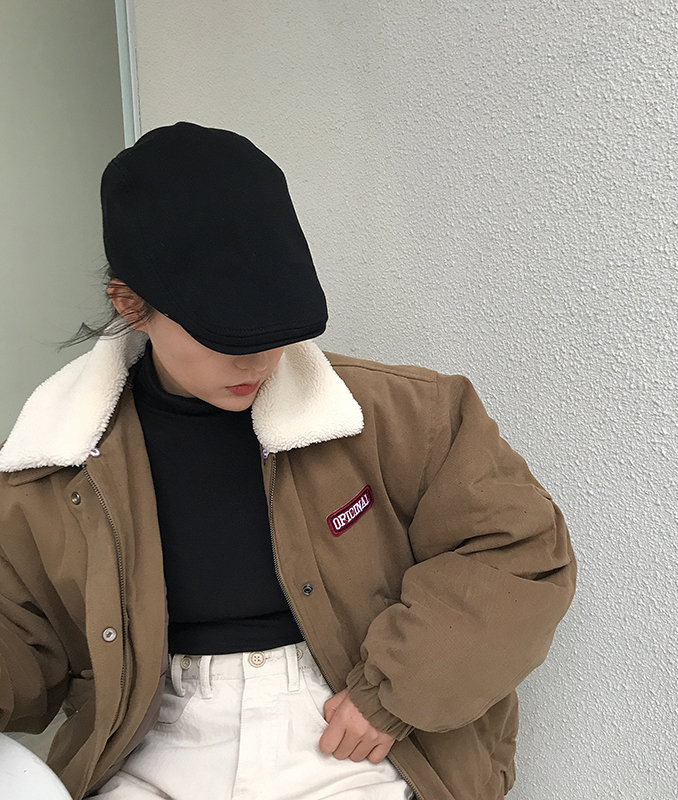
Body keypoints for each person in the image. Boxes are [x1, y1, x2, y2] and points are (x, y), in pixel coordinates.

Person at [0, 122, 576, 800]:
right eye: (223, 334)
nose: (255, 359)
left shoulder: (406, 416)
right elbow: (22, 638)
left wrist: (390, 693)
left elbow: (518, 550)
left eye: (274, 326)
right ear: (130, 305)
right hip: (151, 738)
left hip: (345, 725)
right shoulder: (55, 462)